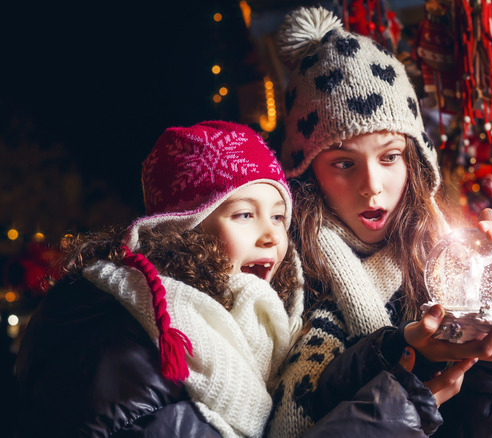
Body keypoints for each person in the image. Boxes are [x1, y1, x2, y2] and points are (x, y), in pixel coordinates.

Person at [267, 7, 492, 437]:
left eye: (390, 156)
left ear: (416, 161)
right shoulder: (281, 268)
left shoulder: (447, 262)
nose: (371, 186)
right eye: (343, 162)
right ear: (305, 169)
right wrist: (403, 359)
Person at [15, 121, 305, 437]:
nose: (271, 236)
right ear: (183, 229)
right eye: (244, 215)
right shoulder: (135, 322)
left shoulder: (273, 315)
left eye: (277, 216)